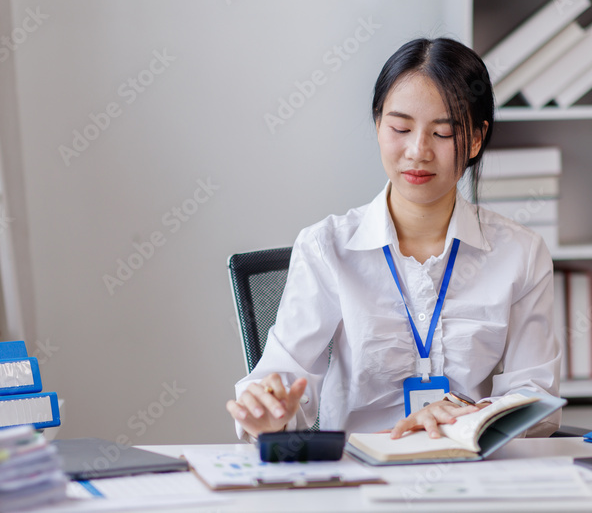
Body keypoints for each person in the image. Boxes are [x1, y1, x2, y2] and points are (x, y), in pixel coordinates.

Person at [226, 37, 560, 441]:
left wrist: (464, 416)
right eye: (400, 128)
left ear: (474, 139)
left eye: (442, 133)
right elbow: (282, 375)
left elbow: (536, 398)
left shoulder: (521, 254)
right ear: (379, 126)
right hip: (357, 479)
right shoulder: (327, 246)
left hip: (466, 473)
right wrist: (268, 409)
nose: (417, 151)